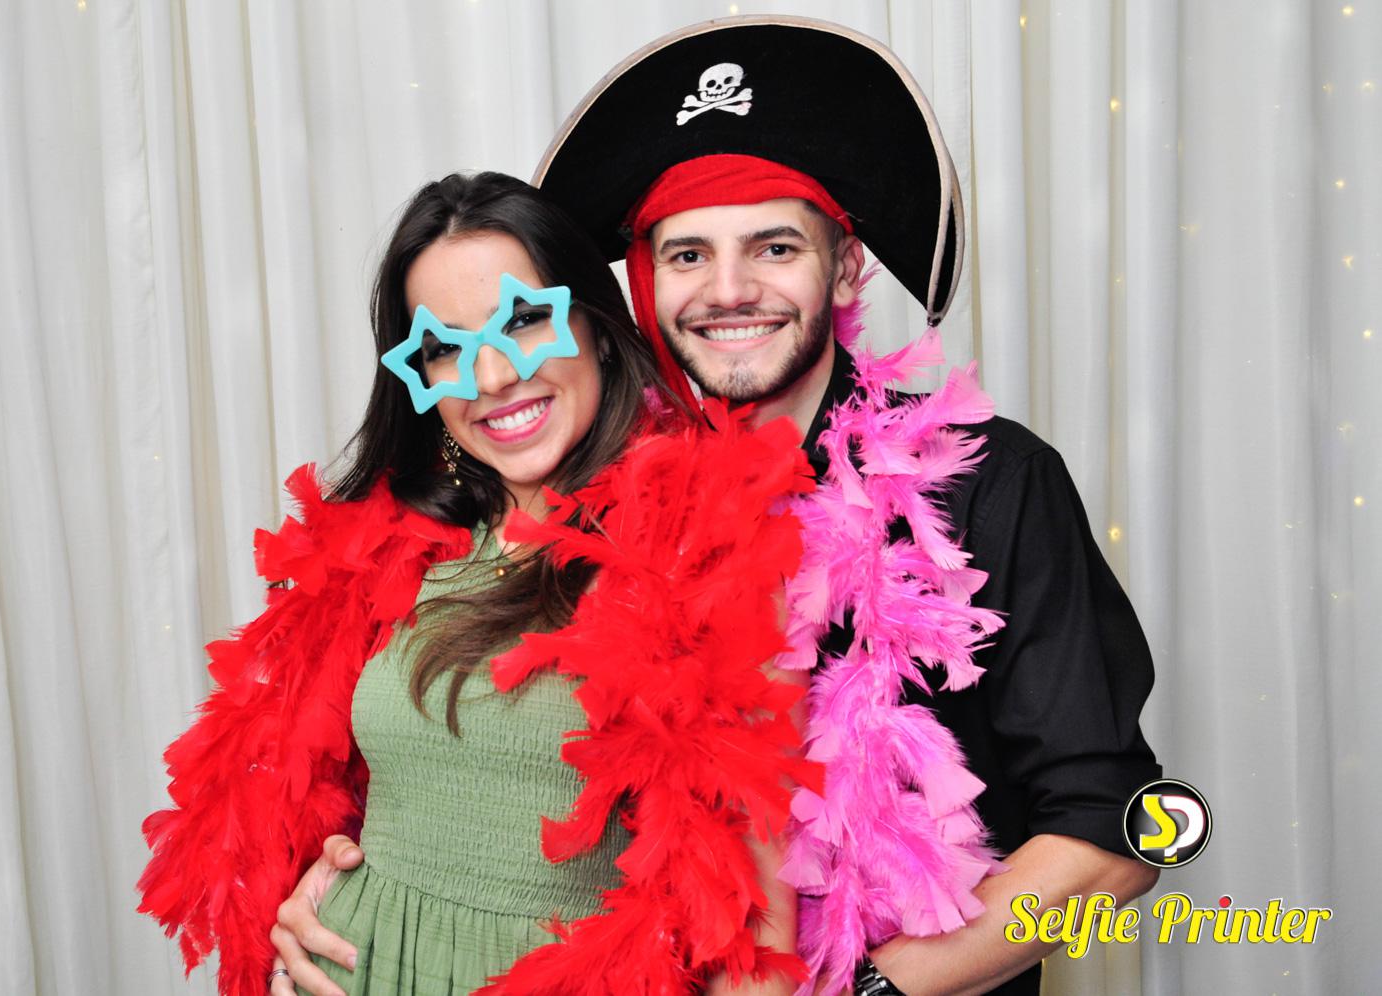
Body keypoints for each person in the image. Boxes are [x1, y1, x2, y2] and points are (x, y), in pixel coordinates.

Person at [272, 17, 1163, 996]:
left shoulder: (991, 480)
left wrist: (865, 992)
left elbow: (1115, 834)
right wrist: (348, 885)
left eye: (774, 246)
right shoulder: (592, 497)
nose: (730, 291)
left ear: (846, 264)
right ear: (641, 285)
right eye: (689, 255)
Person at [138, 171, 818, 996]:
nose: (491, 376)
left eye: (523, 320)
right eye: (446, 347)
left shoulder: (706, 550)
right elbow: (326, 794)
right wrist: (298, 910)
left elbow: (754, 950)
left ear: (596, 328)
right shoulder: (394, 546)